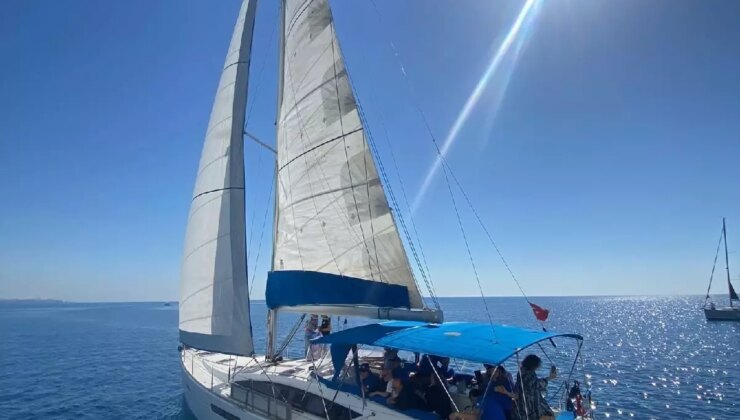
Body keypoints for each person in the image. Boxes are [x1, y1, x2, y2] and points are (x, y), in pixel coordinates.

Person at [513, 355, 556, 420]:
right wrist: (549, 378)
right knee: (550, 415)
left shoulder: (523, 371)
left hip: (526, 402)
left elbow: (532, 385)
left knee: (550, 414)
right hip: (530, 404)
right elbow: (536, 385)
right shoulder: (527, 373)